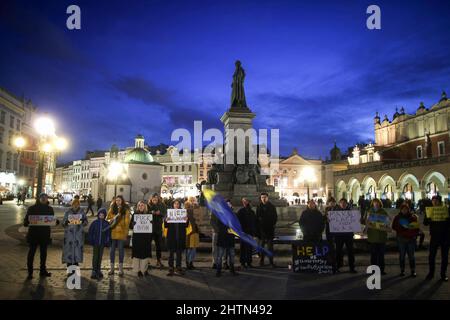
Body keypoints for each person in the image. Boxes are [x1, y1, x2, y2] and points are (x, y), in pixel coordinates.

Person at [23, 193, 57, 279]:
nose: (44, 199)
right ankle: (30, 272)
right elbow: (26, 221)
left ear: (47, 199)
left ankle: (42, 271)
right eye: (42, 197)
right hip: (34, 234)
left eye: (45, 197)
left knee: (43, 254)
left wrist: (56, 222)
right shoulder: (32, 208)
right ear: (39, 198)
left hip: (44, 235)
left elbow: (52, 220)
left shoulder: (50, 209)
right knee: (31, 253)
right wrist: (27, 222)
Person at [423, 196, 449, 281]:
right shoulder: (429, 210)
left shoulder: (445, 209)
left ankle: (443, 274)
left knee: (444, 256)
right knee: (431, 256)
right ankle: (431, 273)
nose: (434, 202)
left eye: (436, 201)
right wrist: (428, 218)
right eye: (433, 201)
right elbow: (425, 223)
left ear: (439, 201)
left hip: (445, 236)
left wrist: (447, 219)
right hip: (434, 236)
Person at [61, 199, 88, 277]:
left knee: (77, 253)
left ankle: (75, 270)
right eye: (74, 204)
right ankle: (69, 270)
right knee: (69, 252)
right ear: (72, 205)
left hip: (78, 236)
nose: (75, 205)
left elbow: (86, 222)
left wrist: (83, 221)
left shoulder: (82, 212)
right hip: (69, 236)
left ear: (79, 205)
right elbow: (63, 223)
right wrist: (65, 222)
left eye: (77, 204)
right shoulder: (67, 212)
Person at [106, 195, 131, 277]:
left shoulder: (125, 210)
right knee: (112, 251)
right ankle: (112, 268)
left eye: (119, 200)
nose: (118, 202)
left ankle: (120, 269)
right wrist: (113, 218)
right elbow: (107, 219)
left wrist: (125, 232)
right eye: (116, 200)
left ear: (122, 201)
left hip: (121, 233)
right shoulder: (112, 208)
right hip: (113, 233)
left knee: (121, 250)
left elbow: (127, 222)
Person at [362, 198, 389, 275]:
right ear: (372, 204)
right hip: (372, 237)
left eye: (377, 203)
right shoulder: (369, 212)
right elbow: (366, 222)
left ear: (380, 204)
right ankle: (373, 270)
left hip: (381, 237)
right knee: (373, 255)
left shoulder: (383, 212)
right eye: (374, 203)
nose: (376, 204)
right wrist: (366, 227)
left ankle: (381, 270)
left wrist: (386, 224)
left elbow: (387, 222)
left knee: (381, 255)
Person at [392, 203, 419, 277]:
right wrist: (401, 228)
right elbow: (393, 226)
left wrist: (411, 228)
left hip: (411, 239)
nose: (404, 210)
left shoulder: (413, 217)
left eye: (406, 209)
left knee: (411, 256)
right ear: (401, 210)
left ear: (408, 210)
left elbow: (416, 227)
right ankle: (402, 270)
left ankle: (413, 270)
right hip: (401, 239)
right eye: (403, 209)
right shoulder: (397, 217)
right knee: (402, 256)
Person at [164, 199, 187, 276]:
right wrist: (166, 220)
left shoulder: (183, 213)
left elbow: (186, 225)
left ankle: (178, 267)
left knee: (179, 253)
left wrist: (186, 220)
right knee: (171, 253)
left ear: (180, 205)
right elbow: (166, 226)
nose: (176, 205)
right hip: (171, 236)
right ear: (173, 205)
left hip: (180, 236)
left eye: (178, 204)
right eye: (175, 204)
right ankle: (171, 267)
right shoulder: (169, 213)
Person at [333, 198, 357, 273]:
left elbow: (354, 221)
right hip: (339, 235)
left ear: (346, 204)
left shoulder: (350, 212)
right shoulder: (335, 212)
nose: (343, 204)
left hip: (348, 235)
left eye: (344, 203)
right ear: (339, 204)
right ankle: (338, 266)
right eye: (341, 203)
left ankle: (352, 267)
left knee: (350, 251)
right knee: (338, 251)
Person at [215, 199, 238, 277]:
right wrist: (226, 230)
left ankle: (232, 269)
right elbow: (219, 225)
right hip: (222, 237)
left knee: (232, 254)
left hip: (230, 238)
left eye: (229, 204)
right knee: (220, 255)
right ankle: (218, 270)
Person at [129, 201, 152, 277]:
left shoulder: (149, 215)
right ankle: (137, 269)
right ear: (138, 207)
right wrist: (133, 224)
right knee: (137, 252)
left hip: (146, 237)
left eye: (142, 205)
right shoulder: (135, 215)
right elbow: (130, 226)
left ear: (145, 206)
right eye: (139, 205)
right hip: (137, 237)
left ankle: (144, 270)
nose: (141, 207)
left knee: (145, 253)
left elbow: (152, 226)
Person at [88, 207, 111, 280]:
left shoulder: (106, 223)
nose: (101, 216)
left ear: (104, 215)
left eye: (103, 215)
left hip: (102, 243)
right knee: (95, 256)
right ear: (98, 215)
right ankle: (94, 270)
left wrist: (107, 240)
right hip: (95, 243)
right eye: (100, 214)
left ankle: (98, 269)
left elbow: (108, 233)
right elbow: (90, 232)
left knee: (100, 256)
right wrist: (91, 240)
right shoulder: (94, 223)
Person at [256, 192, 278, 267]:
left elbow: (275, 217)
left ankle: (271, 262)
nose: (263, 199)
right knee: (261, 247)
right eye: (262, 197)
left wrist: (271, 224)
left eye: (265, 197)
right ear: (261, 198)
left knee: (270, 247)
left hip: (269, 229)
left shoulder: (272, 206)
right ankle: (261, 261)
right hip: (262, 230)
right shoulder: (258, 206)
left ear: (267, 198)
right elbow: (257, 217)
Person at [237, 198, 257, 269]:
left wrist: (254, 232)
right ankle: (243, 262)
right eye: (244, 202)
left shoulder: (252, 212)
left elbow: (254, 223)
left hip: (250, 233)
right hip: (243, 233)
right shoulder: (240, 211)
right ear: (243, 203)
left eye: (247, 202)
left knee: (249, 248)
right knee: (243, 248)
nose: (246, 203)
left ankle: (249, 262)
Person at [147, 193, 166, 269]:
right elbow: (145, 213)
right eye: (153, 198)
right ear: (151, 199)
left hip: (158, 228)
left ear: (158, 199)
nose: (155, 199)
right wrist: (151, 213)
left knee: (159, 246)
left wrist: (160, 213)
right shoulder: (148, 205)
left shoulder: (162, 205)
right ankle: (147, 260)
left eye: (156, 198)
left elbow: (164, 213)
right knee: (148, 245)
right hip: (149, 228)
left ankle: (159, 260)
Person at [185, 201, 199, 270]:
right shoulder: (187, 213)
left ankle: (190, 262)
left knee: (192, 249)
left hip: (194, 233)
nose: (191, 207)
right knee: (190, 249)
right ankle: (189, 262)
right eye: (190, 206)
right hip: (189, 233)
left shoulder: (193, 213)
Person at [210, 204, 220, 269]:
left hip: (222, 232)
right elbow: (212, 221)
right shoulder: (214, 211)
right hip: (216, 232)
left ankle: (219, 262)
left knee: (221, 248)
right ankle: (214, 262)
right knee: (215, 248)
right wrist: (217, 229)